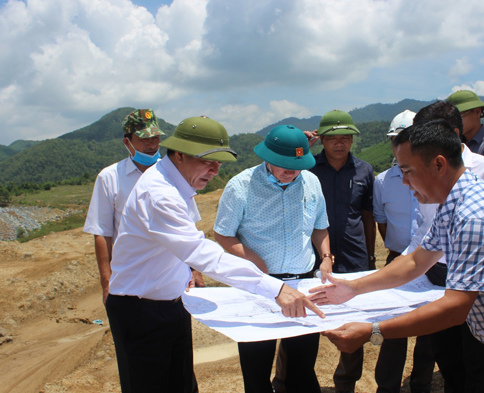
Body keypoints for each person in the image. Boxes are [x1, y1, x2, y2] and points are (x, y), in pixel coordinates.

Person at [310, 119, 484, 393]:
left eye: (408, 171)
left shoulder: (476, 216)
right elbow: (417, 261)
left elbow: (455, 308)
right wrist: (353, 288)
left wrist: (373, 332)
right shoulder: (454, 202)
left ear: (439, 164)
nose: (404, 182)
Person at [104, 116, 325, 393]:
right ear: (180, 155)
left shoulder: (177, 184)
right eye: (207, 160)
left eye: (219, 162)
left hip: (170, 304)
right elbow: (204, 252)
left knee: (181, 385)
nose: (214, 170)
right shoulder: (160, 195)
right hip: (142, 311)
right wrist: (275, 288)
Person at [213, 124, 331, 393]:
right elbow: (224, 235)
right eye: (284, 165)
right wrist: (254, 260)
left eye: (296, 166)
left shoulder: (311, 182)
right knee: (256, 370)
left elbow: (319, 226)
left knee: (302, 367)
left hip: (302, 285)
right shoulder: (241, 186)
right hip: (259, 286)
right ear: (267, 158)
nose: (291, 172)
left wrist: (325, 256)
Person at [409, 101, 484, 393]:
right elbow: (423, 234)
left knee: (477, 360)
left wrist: (375, 331)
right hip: (439, 278)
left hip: (478, 284)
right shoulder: (427, 175)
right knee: (447, 355)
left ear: (453, 134)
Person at [309, 109, 376, 393]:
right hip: (313, 257)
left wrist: (370, 256)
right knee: (304, 320)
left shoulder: (364, 171)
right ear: (322, 140)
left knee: (354, 321)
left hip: (354, 256)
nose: (340, 143)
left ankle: (346, 383)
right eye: (333, 138)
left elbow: (367, 215)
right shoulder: (307, 168)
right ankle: (290, 381)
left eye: (346, 137)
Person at [373, 110, 435, 393]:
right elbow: (380, 221)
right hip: (399, 258)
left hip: (432, 261)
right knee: (393, 329)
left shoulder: (434, 177)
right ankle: (387, 386)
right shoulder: (383, 181)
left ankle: (422, 382)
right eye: (396, 138)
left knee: (428, 331)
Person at [84, 108, 168, 304]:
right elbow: (102, 233)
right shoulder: (110, 177)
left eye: (155, 138)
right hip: (129, 281)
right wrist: (106, 283)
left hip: (170, 280)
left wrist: (193, 269)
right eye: (144, 139)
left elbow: (188, 226)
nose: (151, 145)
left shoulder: (172, 174)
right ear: (127, 142)